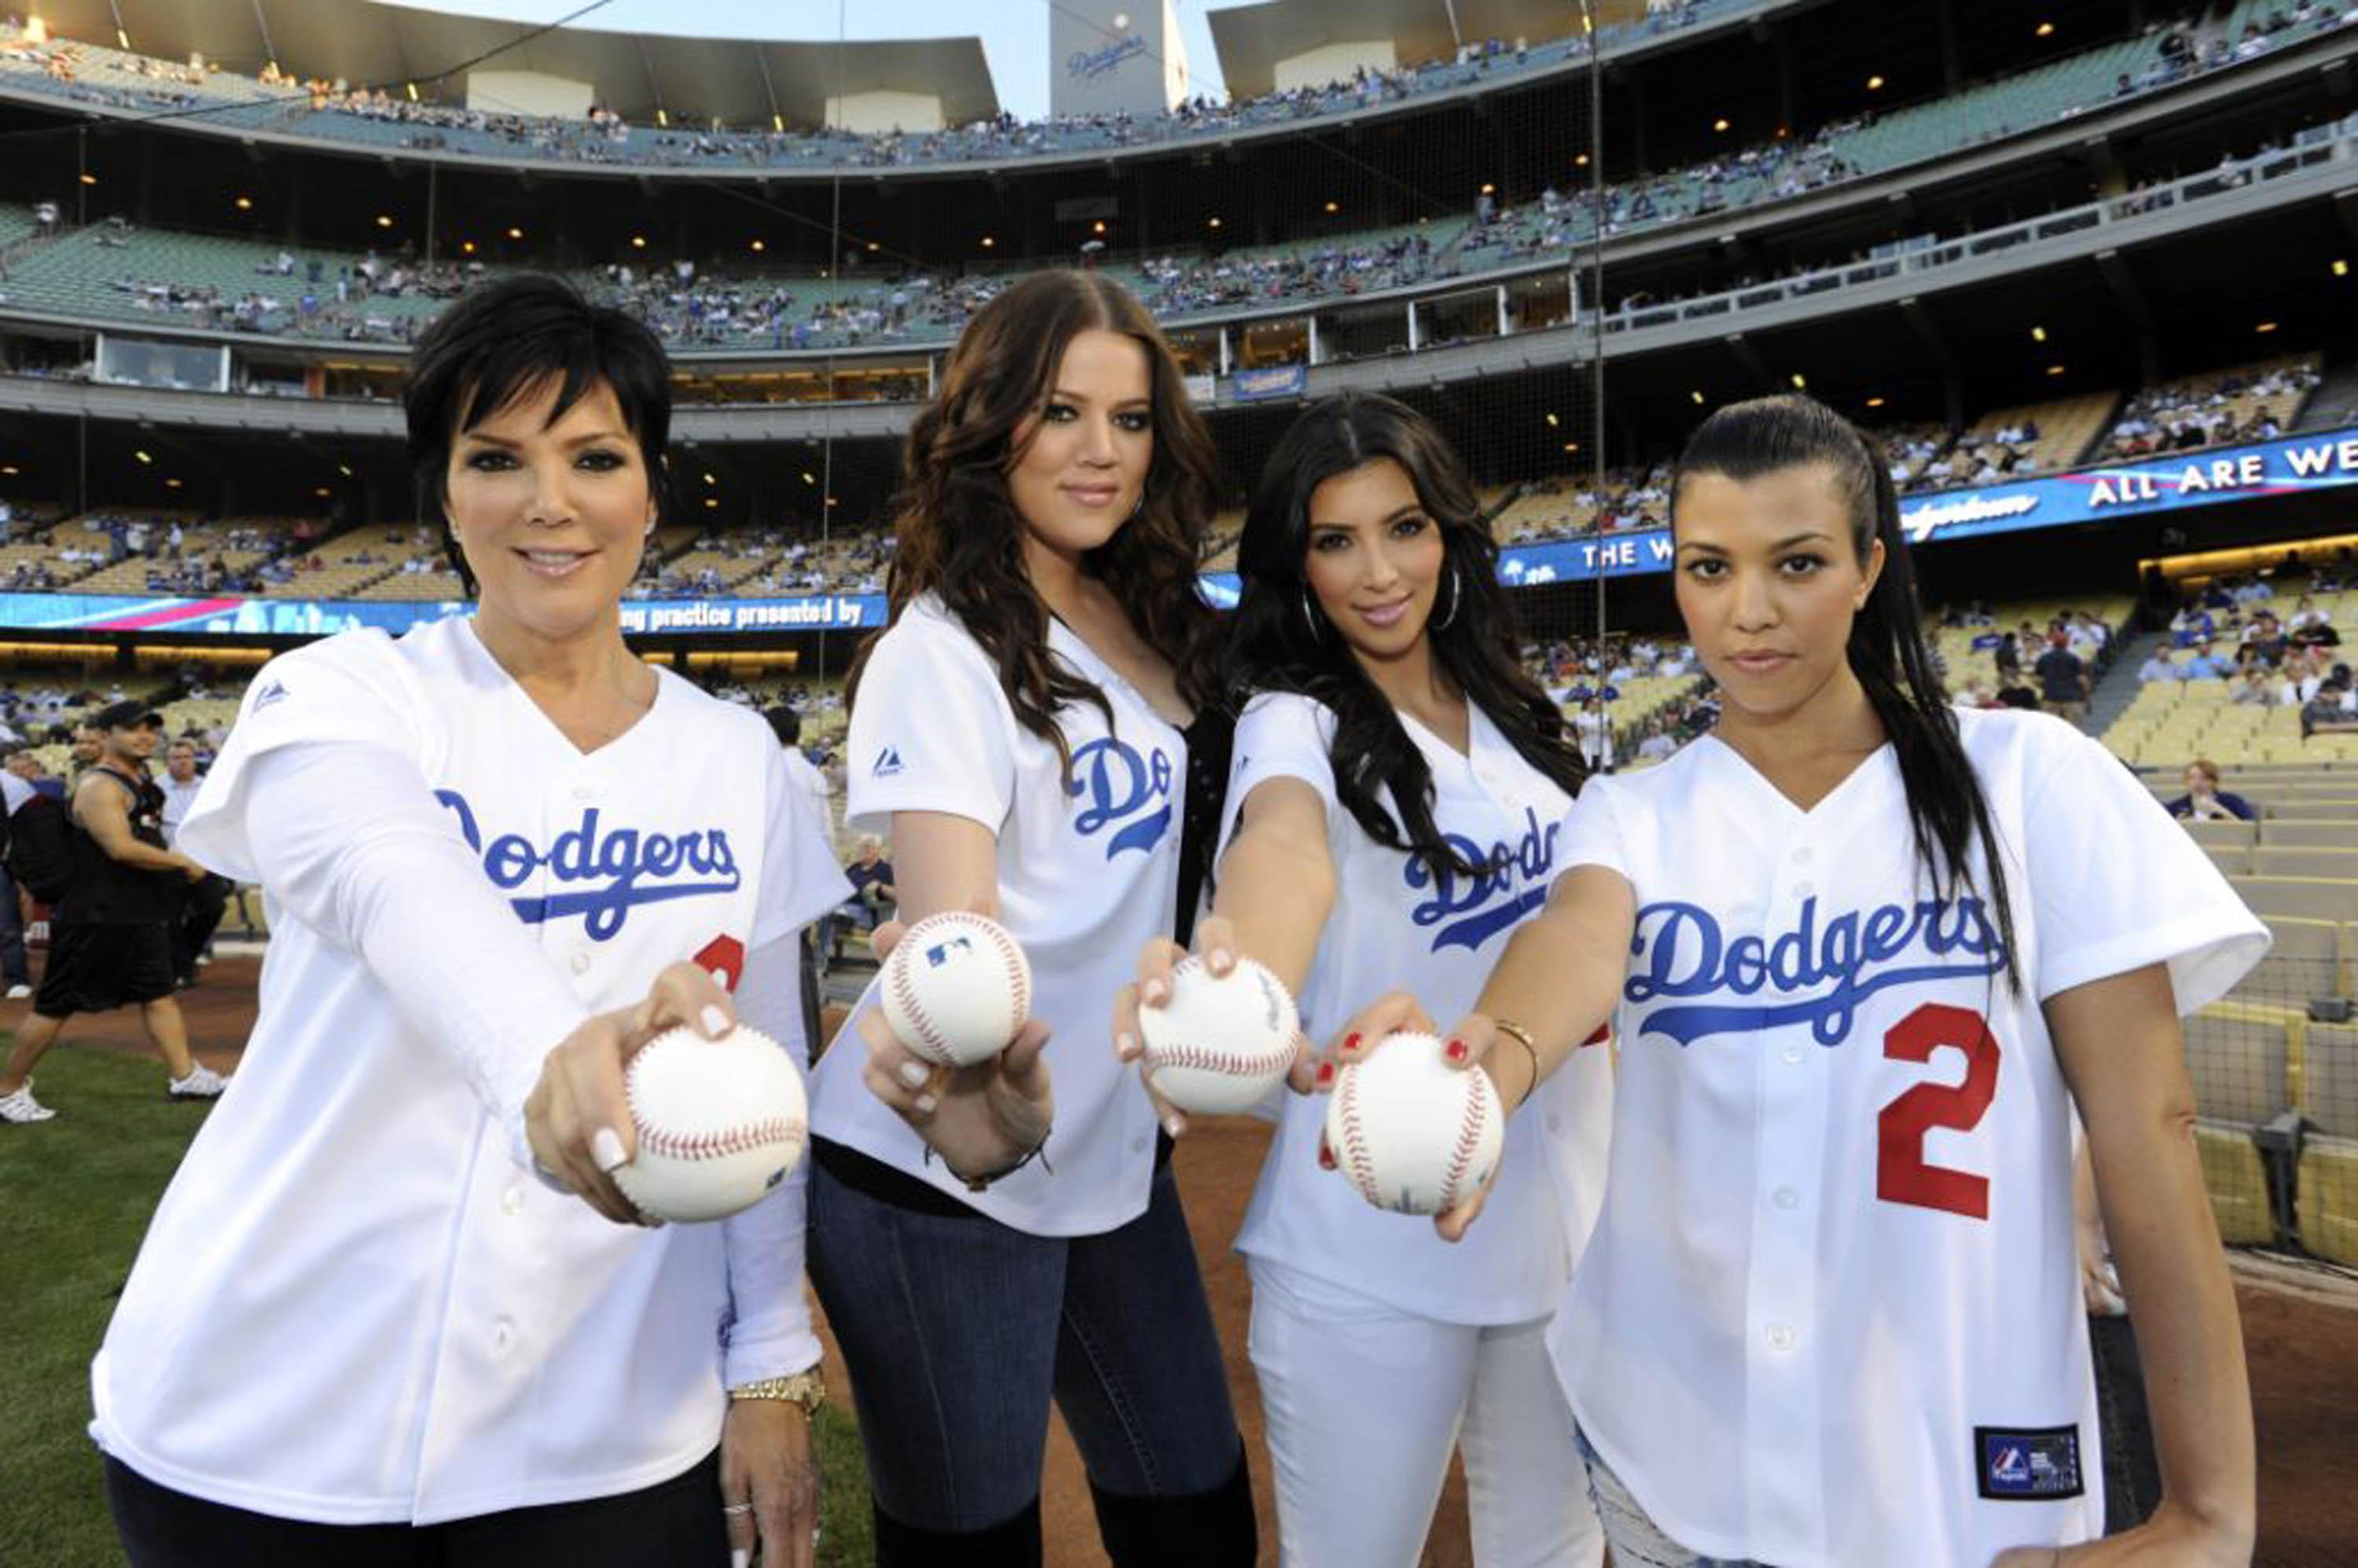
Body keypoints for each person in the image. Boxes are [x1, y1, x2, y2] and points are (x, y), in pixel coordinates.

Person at [1321, 395, 2265, 1568]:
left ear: (1871, 566)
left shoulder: (2031, 779)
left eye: (1798, 562)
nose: (1748, 611)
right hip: (1674, 1456)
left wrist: (2213, 1510)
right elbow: (1570, 945)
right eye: (1708, 567)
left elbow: (2151, 1128)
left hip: (1957, 1467)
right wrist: (1479, 1069)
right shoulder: (1635, 809)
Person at [86, 275, 846, 1568]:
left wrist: (770, 1363)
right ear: (444, 493)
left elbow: (767, 1077)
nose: (549, 503)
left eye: (594, 458)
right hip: (267, 1420)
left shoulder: (749, 765)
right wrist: (556, 1066)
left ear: (651, 492)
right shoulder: (342, 693)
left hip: (610, 1428)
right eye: (497, 458)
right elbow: (391, 871)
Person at [803, 270, 1256, 1565]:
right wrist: (982, 1095)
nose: (1101, 452)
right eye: (1061, 412)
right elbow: (958, 945)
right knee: (974, 1546)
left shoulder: (1167, 620)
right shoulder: (940, 650)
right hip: (939, 1162)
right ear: (991, 420)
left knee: (1198, 1513)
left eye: (1129, 419)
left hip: (1110, 1154)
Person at [1117, 392, 1613, 1566]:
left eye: (1405, 527)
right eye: (1335, 540)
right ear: (1297, 566)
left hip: (1562, 1229)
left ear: (1450, 533)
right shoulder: (1292, 715)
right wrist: (1245, 981)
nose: (1378, 571)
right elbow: (1282, 847)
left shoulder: (1519, 712)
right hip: (1370, 1236)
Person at [0, 700, 222, 1122]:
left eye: (151, 730)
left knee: (159, 995)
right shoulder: (100, 787)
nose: (145, 737)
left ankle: (185, 1076)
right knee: (55, 1006)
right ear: (107, 736)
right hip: (95, 917)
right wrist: (182, 863)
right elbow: (119, 848)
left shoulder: (135, 781)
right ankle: (7, 1091)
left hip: (136, 914)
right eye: (133, 729)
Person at [156, 736, 228, 986]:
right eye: (176, 758)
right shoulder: (156, 789)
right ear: (166, 762)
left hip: (204, 859)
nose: (183, 762)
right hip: (167, 862)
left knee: (213, 908)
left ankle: (185, 957)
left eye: (187, 757)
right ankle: (183, 969)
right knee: (171, 916)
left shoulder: (210, 787)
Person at [2164, 758, 2257, 821]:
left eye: (2204, 778)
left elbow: (2251, 830)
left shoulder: (2232, 801)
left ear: (2214, 781)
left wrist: (2224, 812)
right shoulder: (2175, 806)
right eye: (2192, 778)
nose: (2197, 783)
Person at [2033, 627, 2091, 723]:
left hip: (2050, 699)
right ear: (2066, 644)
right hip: (2071, 700)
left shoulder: (2044, 659)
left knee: (2052, 731)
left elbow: (2037, 679)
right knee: (2071, 731)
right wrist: (2087, 701)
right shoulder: (2073, 659)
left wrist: (2046, 686)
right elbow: (2083, 681)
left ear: (2053, 644)